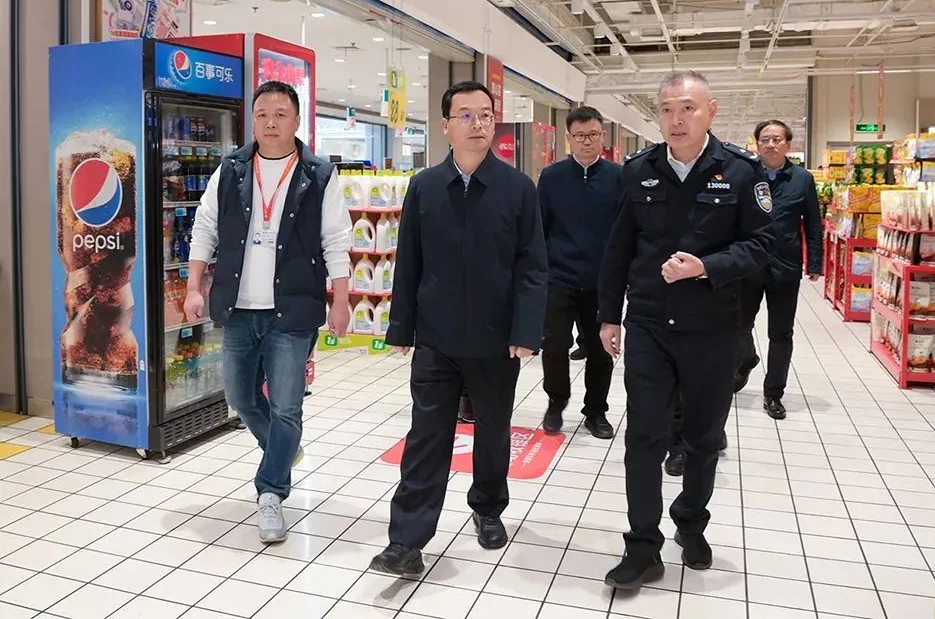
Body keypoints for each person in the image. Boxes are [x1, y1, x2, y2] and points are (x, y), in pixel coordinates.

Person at [598, 70, 774, 591]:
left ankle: (691, 523)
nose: (676, 119)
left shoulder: (741, 172)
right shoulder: (639, 171)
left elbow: (765, 245)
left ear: (710, 111)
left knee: (702, 437)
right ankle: (642, 545)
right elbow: (618, 247)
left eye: (687, 108)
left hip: (712, 328)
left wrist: (706, 267)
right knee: (643, 437)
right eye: (667, 110)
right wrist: (608, 315)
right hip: (649, 324)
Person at [369, 81, 548, 577]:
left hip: (496, 339)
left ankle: (487, 507)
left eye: (485, 114)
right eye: (465, 115)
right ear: (445, 125)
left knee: (493, 429)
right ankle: (406, 541)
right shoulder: (425, 186)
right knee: (427, 436)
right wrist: (401, 327)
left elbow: (533, 266)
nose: (477, 123)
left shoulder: (517, 188)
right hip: (437, 338)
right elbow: (409, 261)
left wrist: (526, 331)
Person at [186, 80, 351, 544]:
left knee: (286, 406)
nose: (271, 122)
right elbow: (205, 227)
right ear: (252, 120)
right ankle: (284, 450)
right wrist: (193, 286)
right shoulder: (232, 169)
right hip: (238, 308)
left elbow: (336, 241)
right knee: (240, 399)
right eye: (262, 114)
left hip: (292, 311)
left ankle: (271, 491)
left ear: (297, 121)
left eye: (280, 114)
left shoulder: (318, 174)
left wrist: (340, 301)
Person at [539, 106, 624, 438]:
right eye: (580, 136)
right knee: (554, 346)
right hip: (559, 278)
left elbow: (625, 232)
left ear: (603, 136)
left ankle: (596, 411)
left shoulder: (619, 178)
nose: (587, 141)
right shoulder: (552, 177)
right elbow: (540, 227)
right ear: (569, 138)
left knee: (601, 352)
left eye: (593, 135)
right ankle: (556, 402)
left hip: (602, 282)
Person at [736, 120, 823, 419]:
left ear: (788, 144)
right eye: (765, 139)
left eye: (776, 139)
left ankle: (773, 393)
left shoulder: (802, 179)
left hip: (785, 266)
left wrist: (814, 263)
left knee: (781, 333)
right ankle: (746, 359)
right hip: (748, 263)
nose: (770, 144)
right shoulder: (745, 174)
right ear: (756, 144)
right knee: (738, 324)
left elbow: (813, 224)